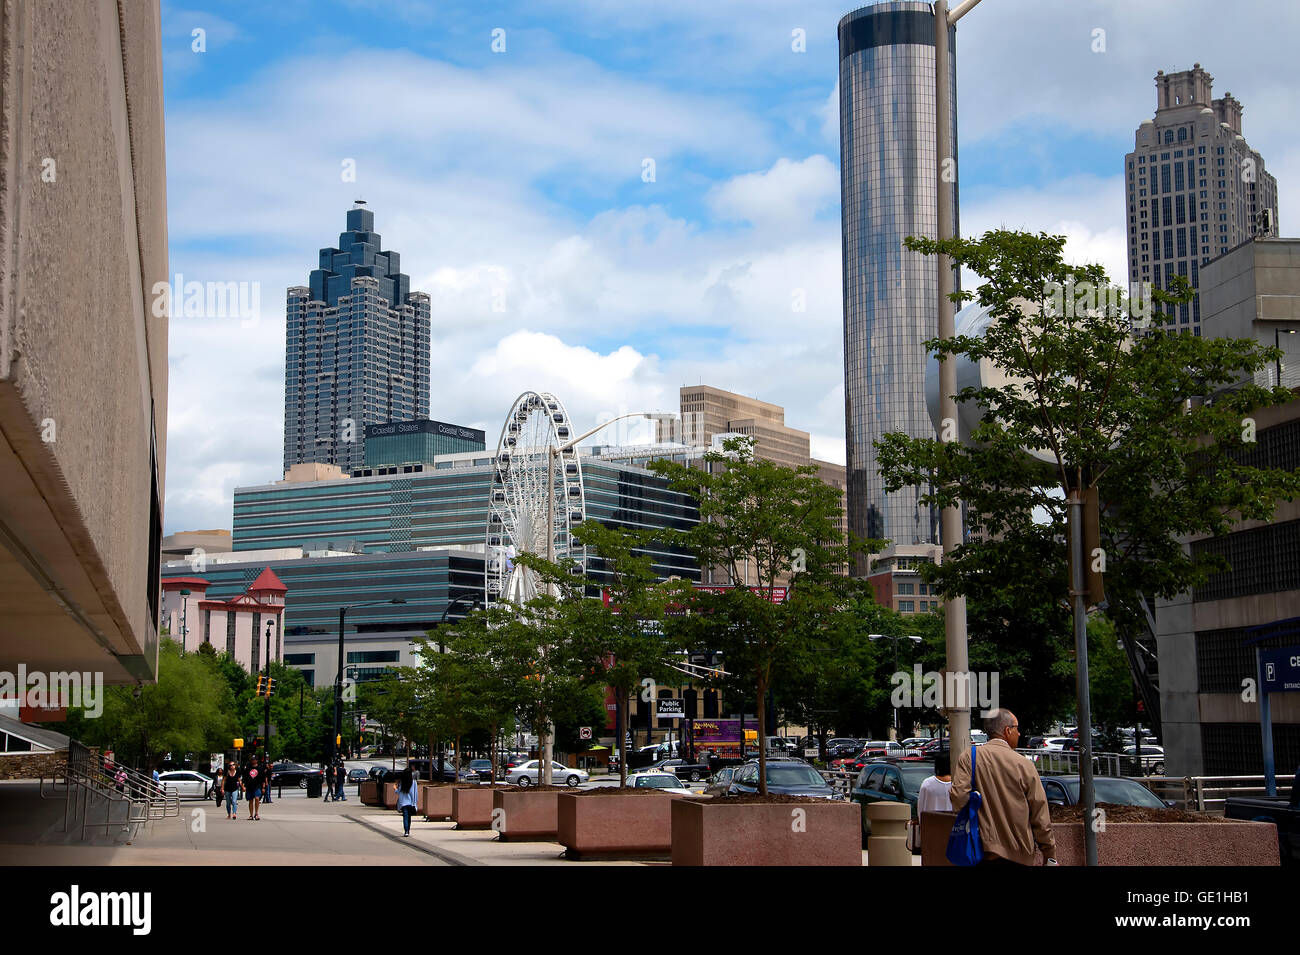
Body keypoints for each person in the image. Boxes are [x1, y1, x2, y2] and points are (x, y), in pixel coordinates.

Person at [950, 709, 1056, 866]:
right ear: (1007, 730)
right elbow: (1039, 814)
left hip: (980, 850)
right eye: (1017, 728)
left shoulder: (969, 757)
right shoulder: (1024, 764)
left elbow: (958, 798)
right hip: (1019, 853)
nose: (1019, 733)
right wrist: (1049, 852)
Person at [396, 764, 418, 836]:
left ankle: (406, 831)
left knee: (405, 816)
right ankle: (408, 829)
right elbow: (414, 794)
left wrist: (395, 789)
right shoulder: (413, 782)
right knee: (409, 817)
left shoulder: (402, 782)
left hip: (403, 802)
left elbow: (398, 792)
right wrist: (414, 803)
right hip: (411, 802)